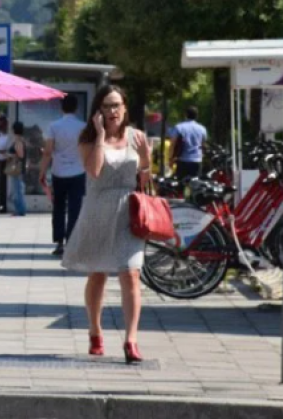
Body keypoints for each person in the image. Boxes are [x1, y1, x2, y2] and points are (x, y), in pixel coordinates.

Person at [62, 85, 151, 364]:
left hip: (128, 212)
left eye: (116, 105)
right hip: (99, 210)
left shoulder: (137, 137)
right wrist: (100, 135)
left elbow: (145, 175)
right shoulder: (88, 138)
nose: (112, 111)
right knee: (98, 273)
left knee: (131, 272)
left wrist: (147, 163)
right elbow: (95, 170)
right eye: (106, 106)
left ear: (125, 108)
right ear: (98, 111)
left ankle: (131, 339)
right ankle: (95, 330)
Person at [38, 94, 86, 256]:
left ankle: (59, 243)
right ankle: (71, 242)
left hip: (59, 172)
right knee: (75, 208)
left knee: (58, 207)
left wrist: (42, 171)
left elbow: (48, 152)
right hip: (78, 172)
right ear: (76, 108)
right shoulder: (83, 127)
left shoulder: (54, 126)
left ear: (61, 107)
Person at [171, 106, 207, 179]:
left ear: (186, 115)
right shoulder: (202, 129)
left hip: (183, 160)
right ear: (197, 116)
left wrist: (171, 159)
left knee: (181, 184)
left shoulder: (179, 127)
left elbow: (173, 144)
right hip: (197, 160)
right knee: (195, 185)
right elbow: (203, 145)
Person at [8, 121, 27, 217]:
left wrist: (10, 155)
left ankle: (20, 210)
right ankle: (19, 210)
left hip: (17, 169)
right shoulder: (19, 140)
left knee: (17, 190)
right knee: (17, 190)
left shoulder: (18, 141)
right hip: (18, 169)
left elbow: (20, 154)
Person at [0, 115, 12, 214]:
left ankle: (5, 205)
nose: (0, 127)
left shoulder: (9, 136)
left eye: (2, 125)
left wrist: (3, 151)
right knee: (0, 185)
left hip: (6, 161)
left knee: (5, 185)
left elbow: (10, 150)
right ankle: (1, 203)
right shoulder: (0, 135)